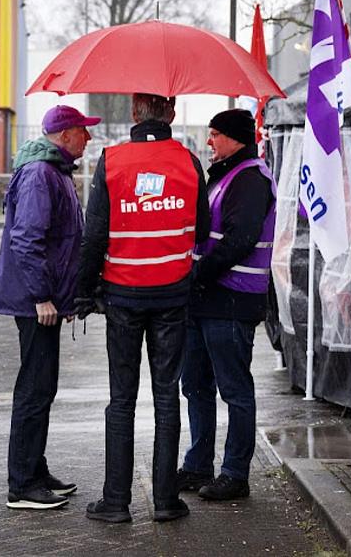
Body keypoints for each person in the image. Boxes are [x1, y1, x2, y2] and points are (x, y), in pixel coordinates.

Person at [75, 93, 209, 523]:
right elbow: (203, 230)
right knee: (167, 397)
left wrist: (83, 291)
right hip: (173, 295)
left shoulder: (111, 161)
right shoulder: (189, 163)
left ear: (134, 113)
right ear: (170, 113)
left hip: (123, 296)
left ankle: (116, 501)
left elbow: (94, 235)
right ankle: (166, 501)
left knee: (122, 399)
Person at [0, 104, 100, 510]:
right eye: (83, 131)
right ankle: (22, 484)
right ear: (65, 134)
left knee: (42, 386)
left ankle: (35, 471)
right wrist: (42, 296)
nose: (88, 139)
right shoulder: (41, 174)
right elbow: (27, 238)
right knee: (34, 389)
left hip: (46, 300)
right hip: (37, 302)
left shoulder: (52, 170)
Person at [178, 108, 277, 501]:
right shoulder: (223, 176)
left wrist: (197, 275)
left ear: (235, 138)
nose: (209, 142)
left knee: (234, 389)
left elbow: (239, 239)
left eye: (215, 134)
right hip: (206, 300)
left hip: (231, 300)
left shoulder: (250, 178)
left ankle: (235, 473)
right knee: (196, 387)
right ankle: (198, 465)